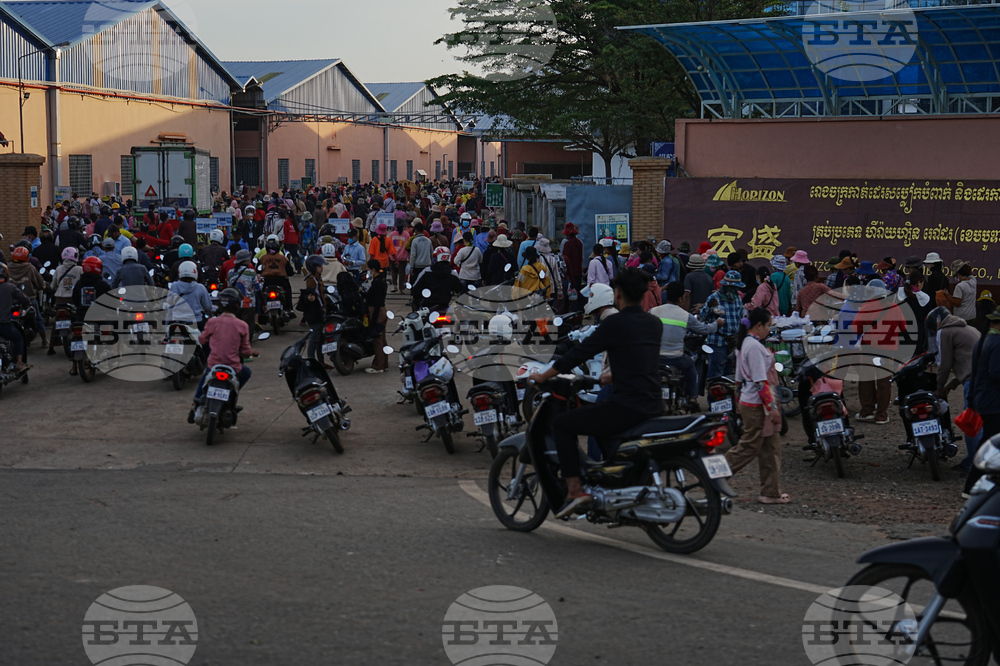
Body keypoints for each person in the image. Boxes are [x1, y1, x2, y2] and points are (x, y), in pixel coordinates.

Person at [528, 268, 664, 518]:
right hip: (654, 403)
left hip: (626, 406)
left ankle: (575, 489)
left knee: (563, 424)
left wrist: (542, 376)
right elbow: (641, 361)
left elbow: (577, 354)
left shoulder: (615, 323)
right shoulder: (654, 323)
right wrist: (611, 376)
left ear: (618, 293)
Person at [725, 307, 789, 504]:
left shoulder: (745, 344)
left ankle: (770, 492)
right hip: (757, 404)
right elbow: (760, 382)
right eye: (768, 325)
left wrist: (737, 402)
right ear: (759, 325)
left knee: (770, 447)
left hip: (750, 401)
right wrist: (772, 409)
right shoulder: (753, 347)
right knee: (749, 447)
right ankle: (713, 473)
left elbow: (738, 379)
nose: (769, 329)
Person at [188, 288, 259, 423]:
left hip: (215, 363)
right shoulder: (242, 325)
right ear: (237, 305)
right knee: (246, 373)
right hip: (233, 366)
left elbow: (202, 340)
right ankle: (231, 395)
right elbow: (245, 350)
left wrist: (206, 334)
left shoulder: (212, 322)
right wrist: (252, 352)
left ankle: (195, 404)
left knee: (205, 377)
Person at [650, 282, 722, 408]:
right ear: (680, 298)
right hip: (676, 359)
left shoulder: (653, 311)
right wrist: (717, 323)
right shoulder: (685, 316)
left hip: (655, 358)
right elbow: (704, 329)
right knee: (690, 367)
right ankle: (692, 399)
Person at [934, 309, 982, 472]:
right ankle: (974, 460)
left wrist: (940, 387)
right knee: (981, 422)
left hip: (974, 382)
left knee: (970, 423)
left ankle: (974, 466)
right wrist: (952, 385)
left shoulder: (944, 331)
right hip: (985, 379)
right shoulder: (969, 329)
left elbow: (944, 364)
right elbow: (967, 362)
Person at [851, 280, 902, 425]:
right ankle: (881, 415)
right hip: (888, 351)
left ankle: (867, 412)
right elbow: (903, 326)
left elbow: (855, 328)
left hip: (868, 349)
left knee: (866, 380)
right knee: (884, 382)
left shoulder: (867, 307)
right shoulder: (894, 307)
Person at [702, 270, 745, 380]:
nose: (733, 290)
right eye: (731, 288)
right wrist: (709, 306)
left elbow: (740, 319)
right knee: (716, 376)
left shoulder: (738, 299)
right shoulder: (714, 298)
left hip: (732, 342)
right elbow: (702, 317)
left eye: (735, 288)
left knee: (729, 376)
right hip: (718, 341)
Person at [6, 246, 47, 348]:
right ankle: (45, 340)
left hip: (11, 301)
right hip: (29, 299)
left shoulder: (7, 267)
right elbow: (41, 284)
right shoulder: (30, 268)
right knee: (38, 319)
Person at [0, 263, 33, 372]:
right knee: (19, 337)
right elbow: (25, 300)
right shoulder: (10, 287)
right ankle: (19, 363)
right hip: (4, 325)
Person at [411, 247, 464, 312]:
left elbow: (415, 289)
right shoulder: (453, 274)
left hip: (426, 307)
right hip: (444, 306)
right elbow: (460, 289)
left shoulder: (426, 272)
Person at [299, 254, 329, 364]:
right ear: (313, 267)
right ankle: (311, 361)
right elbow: (309, 294)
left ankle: (321, 362)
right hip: (314, 313)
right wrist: (309, 297)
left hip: (319, 311)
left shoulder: (318, 278)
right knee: (314, 339)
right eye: (319, 266)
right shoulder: (312, 280)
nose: (322, 268)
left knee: (320, 339)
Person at [169, 261, 213, 327]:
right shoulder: (200, 287)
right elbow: (208, 307)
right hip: (196, 322)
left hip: (177, 321)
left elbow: (169, 304)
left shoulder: (174, 286)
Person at [364, 259, 389, 374]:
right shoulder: (380, 279)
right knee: (382, 339)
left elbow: (377, 301)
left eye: (369, 269)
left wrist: (373, 320)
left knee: (377, 339)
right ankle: (384, 363)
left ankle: (378, 366)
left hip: (377, 311)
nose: (368, 271)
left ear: (373, 269)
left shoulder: (377, 282)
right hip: (381, 311)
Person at [227, 250, 260, 334]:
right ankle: (246, 343)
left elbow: (229, 288)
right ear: (246, 260)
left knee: (236, 326)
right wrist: (263, 303)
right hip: (248, 304)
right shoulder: (251, 272)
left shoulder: (230, 272)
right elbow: (258, 289)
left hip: (234, 304)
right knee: (248, 327)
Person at [258, 236, 294, 311]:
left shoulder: (263, 258)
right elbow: (290, 271)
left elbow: (258, 269)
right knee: (287, 291)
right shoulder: (282, 258)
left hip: (267, 281)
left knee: (261, 294)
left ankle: (261, 310)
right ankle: (289, 308)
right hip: (281, 281)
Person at [562, 223, 584, 308]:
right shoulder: (579, 242)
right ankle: (579, 311)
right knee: (577, 291)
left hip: (570, 273)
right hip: (578, 271)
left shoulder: (567, 244)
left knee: (569, 294)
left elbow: (566, 260)